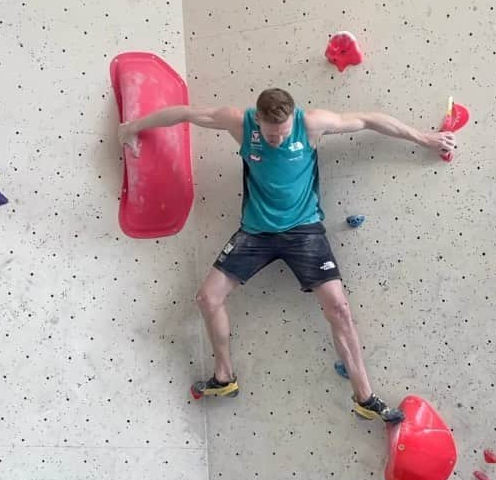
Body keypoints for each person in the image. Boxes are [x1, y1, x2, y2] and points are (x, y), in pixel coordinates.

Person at [119, 88, 455, 423]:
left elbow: (368, 119)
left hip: (303, 232)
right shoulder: (240, 123)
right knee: (207, 298)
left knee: (338, 308)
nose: (276, 140)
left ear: (292, 118)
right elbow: (186, 113)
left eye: (281, 133)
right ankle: (224, 377)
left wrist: (425, 139)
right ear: (259, 121)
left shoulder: (311, 124)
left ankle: (365, 397)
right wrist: (132, 127)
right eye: (269, 135)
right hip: (255, 232)